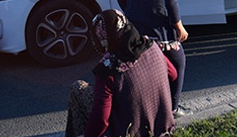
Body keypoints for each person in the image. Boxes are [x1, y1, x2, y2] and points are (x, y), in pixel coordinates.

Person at [65, 9, 177, 137]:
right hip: (163, 129)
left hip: (129, 132)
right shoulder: (150, 45)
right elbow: (173, 74)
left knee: (78, 88)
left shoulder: (108, 68)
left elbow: (102, 118)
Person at [116, 0, 189, 118]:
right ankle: (172, 108)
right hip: (158, 31)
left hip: (134, 27)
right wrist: (179, 26)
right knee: (179, 61)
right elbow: (170, 1)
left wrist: (131, 12)